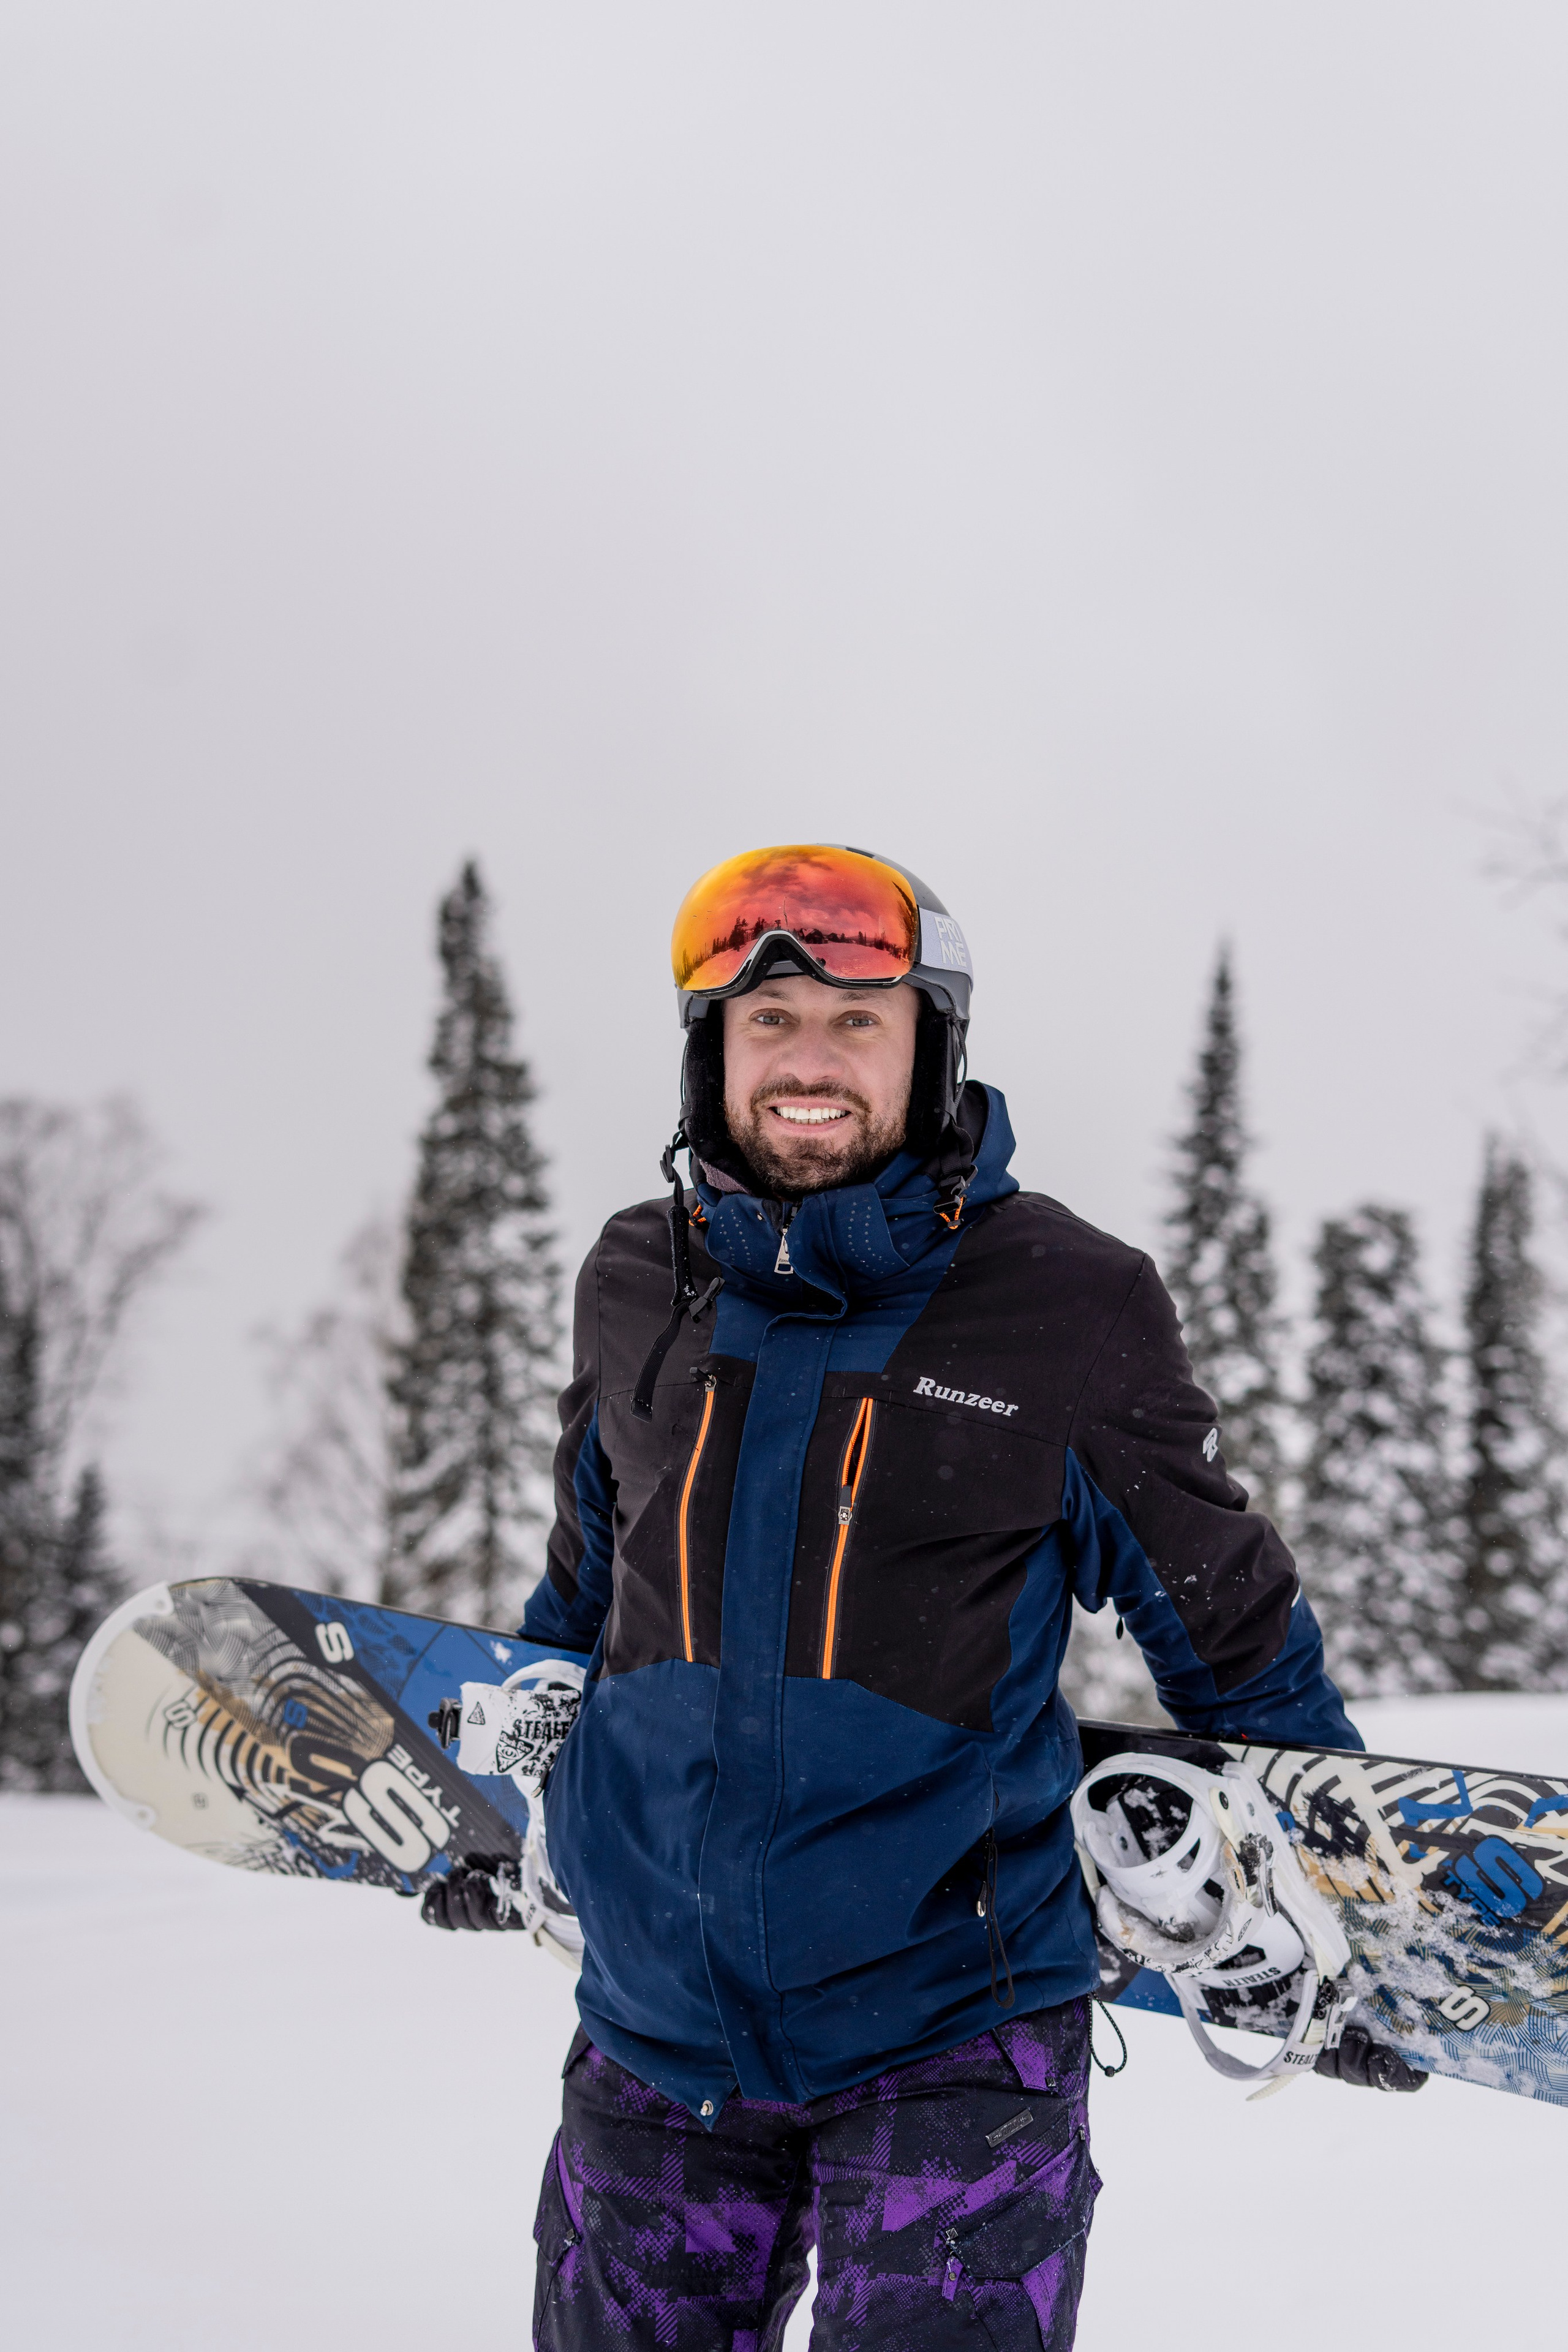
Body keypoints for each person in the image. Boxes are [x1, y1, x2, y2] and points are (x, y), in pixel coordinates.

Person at [426, 843, 1395, 2350]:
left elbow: (1228, 1628)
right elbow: (586, 1580)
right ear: (711, 1052)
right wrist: (507, 1801)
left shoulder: (1062, 1303)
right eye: (768, 1025)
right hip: (649, 2039)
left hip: (953, 2043)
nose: (806, 1063)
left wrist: (1350, 1904)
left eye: (854, 1024)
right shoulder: (635, 1279)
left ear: (929, 1047)